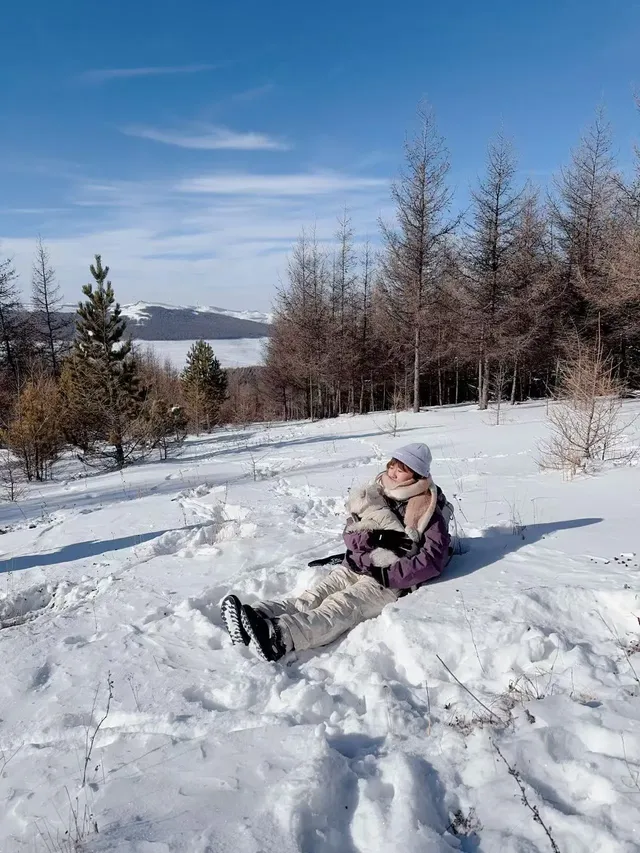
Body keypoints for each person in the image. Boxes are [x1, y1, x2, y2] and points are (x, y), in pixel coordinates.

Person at [220, 443, 453, 662]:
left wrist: (389, 575)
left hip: (387, 580)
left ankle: (279, 637)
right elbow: (350, 534)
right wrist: (374, 537)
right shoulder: (374, 493)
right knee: (313, 597)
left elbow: (433, 559)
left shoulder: (427, 507)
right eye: (392, 465)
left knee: (341, 606)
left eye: (401, 470)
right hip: (355, 565)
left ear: (417, 475)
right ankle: (257, 616)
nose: (392, 472)